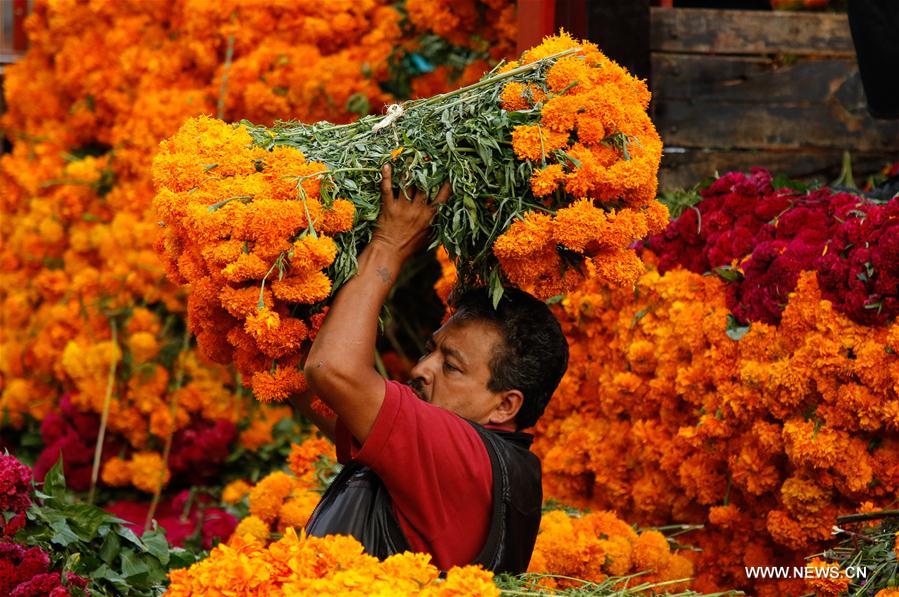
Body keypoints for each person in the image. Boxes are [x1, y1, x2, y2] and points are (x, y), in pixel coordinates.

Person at [295, 164, 569, 574]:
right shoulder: (479, 458)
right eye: (430, 351)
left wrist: (389, 243)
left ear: (504, 406)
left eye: (452, 367)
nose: (422, 369)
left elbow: (329, 369)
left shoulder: (463, 455)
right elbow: (313, 385)